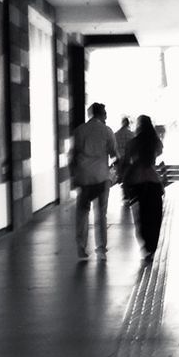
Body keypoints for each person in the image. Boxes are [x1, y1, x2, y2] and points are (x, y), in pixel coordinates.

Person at [69, 102, 120, 261]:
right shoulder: (107, 131)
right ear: (101, 114)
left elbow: (73, 155)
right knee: (101, 214)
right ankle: (101, 248)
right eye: (105, 113)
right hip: (101, 177)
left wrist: (73, 175)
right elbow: (114, 154)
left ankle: (81, 246)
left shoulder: (80, 131)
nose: (106, 116)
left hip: (84, 178)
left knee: (83, 212)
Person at [122, 114, 165, 261]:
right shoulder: (155, 142)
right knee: (155, 216)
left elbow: (126, 160)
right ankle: (152, 247)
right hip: (153, 181)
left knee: (140, 217)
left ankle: (145, 246)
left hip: (137, 182)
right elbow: (159, 152)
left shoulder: (132, 143)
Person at [113, 115, 134, 206]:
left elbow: (113, 148)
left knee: (122, 176)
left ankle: (125, 195)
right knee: (128, 177)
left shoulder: (116, 134)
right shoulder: (131, 134)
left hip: (119, 158)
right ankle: (127, 195)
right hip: (129, 159)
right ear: (128, 124)